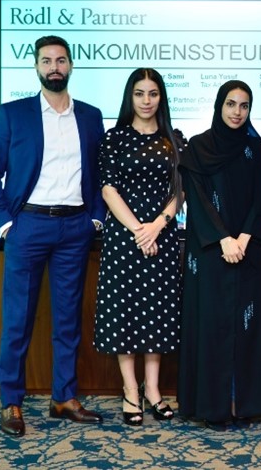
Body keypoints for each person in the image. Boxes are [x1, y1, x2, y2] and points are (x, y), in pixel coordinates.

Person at [0, 35, 106, 437]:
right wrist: (4, 223)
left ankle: (63, 398)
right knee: (18, 319)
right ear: (36, 66)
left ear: (71, 66)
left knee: (68, 320)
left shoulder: (90, 116)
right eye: (47, 61)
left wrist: (95, 219)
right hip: (28, 226)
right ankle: (11, 402)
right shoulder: (13, 114)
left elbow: (99, 174)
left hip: (75, 228)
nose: (54, 67)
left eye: (61, 60)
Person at [177, 80, 261, 428]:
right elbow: (198, 200)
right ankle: (211, 406)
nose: (237, 112)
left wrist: (244, 238)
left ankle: (244, 404)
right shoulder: (198, 147)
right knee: (212, 327)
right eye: (231, 104)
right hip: (209, 253)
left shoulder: (256, 148)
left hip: (249, 251)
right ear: (219, 105)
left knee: (247, 327)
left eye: (244, 106)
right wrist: (223, 239)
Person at [94, 68, 185, 425]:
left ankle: (153, 390)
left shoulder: (174, 139)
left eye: (153, 94)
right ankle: (130, 390)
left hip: (163, 236)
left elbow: (180, 190)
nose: (146, 101)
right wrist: (139, 231)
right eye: (139, 93)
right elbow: (108, 190)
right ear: (129, 97)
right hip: (124, 239)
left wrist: (157, 226)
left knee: (157, 313)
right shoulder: (114, 138)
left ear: (161, 97)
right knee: (125, 313)